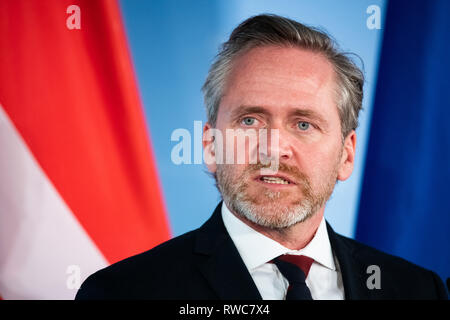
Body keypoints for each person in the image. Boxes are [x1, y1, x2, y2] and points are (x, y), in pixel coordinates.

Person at [75, 14, 448, 300]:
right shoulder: (124, 292)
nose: (273, 148)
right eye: (250, 120)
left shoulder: (418, 290)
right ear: (210, 146)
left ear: (346, 155)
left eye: (303, 124)